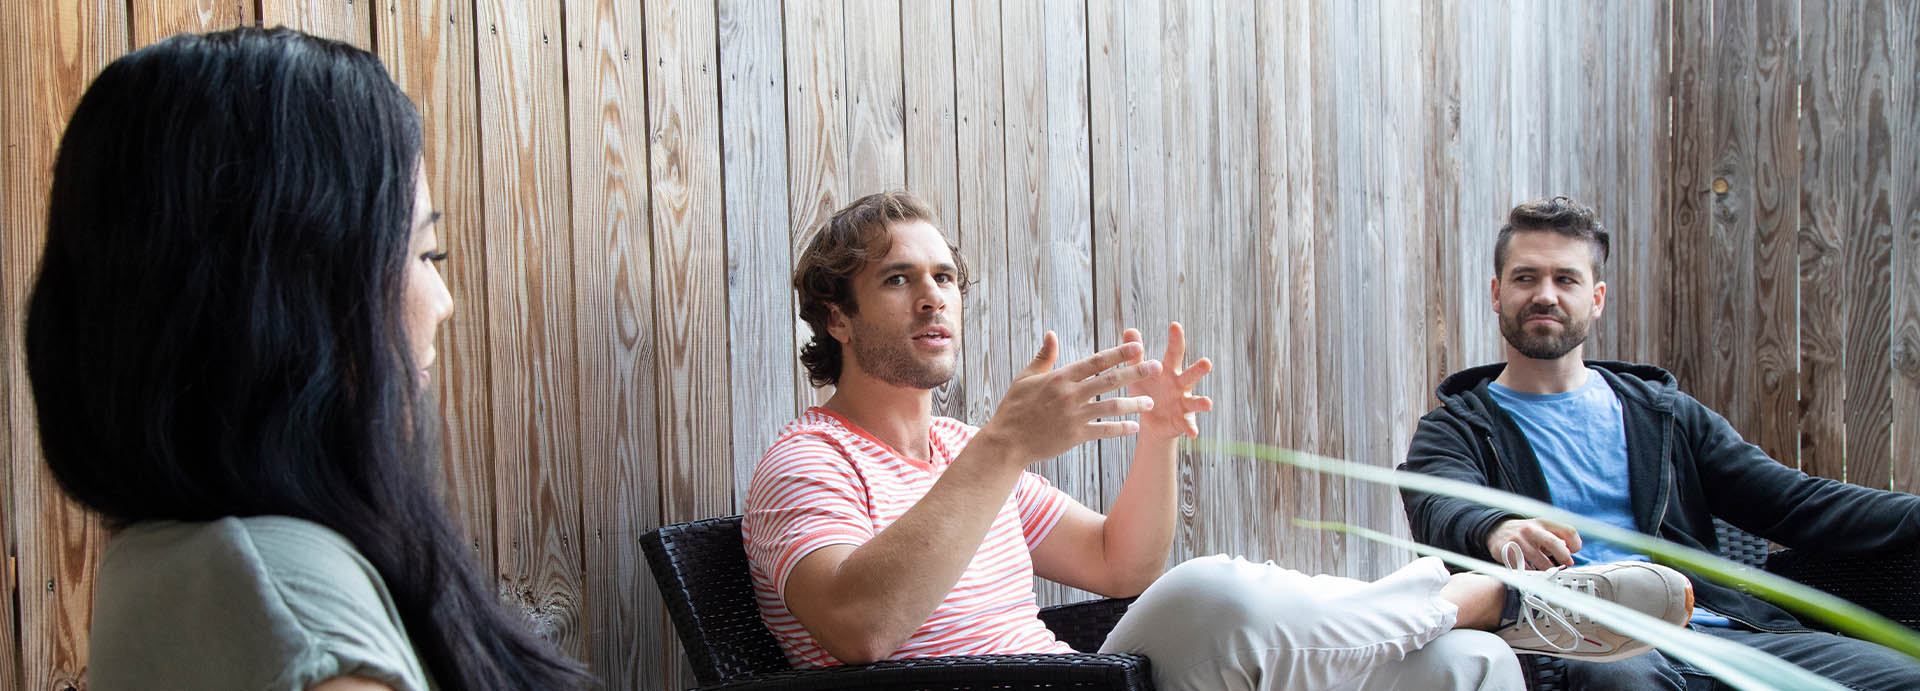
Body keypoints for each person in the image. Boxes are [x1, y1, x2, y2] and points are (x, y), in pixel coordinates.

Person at [742, 191, 1695, 691]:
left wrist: (1156, 439)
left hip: (1081, 682)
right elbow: (859, 626)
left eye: (945, 276)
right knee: (1211, 592)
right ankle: (1485, 596)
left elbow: (1120, 563)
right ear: (834, 311)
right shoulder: (807, 461)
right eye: (901, 279)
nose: (935, 296)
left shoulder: (960, 449)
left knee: (1464, 670)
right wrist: (1003, 449)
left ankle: (1475, 619)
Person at [25, 27, 588, 690]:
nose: (444, 301)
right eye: (423, 254)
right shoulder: (288, 608)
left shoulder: (182, 559)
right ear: (288, 294)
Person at [1401, 196, 1920, 689]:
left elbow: (1793, 501)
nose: (1545, 295)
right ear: (1497, 293)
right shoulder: (1457, 429)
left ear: (1596, 298)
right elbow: (1442, 506)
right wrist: (1497, 526)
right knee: (1622, 678)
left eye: (1566, 279)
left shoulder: (1660, 414)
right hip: (1585, 642)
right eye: (1525, 278)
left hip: (1722, 629)